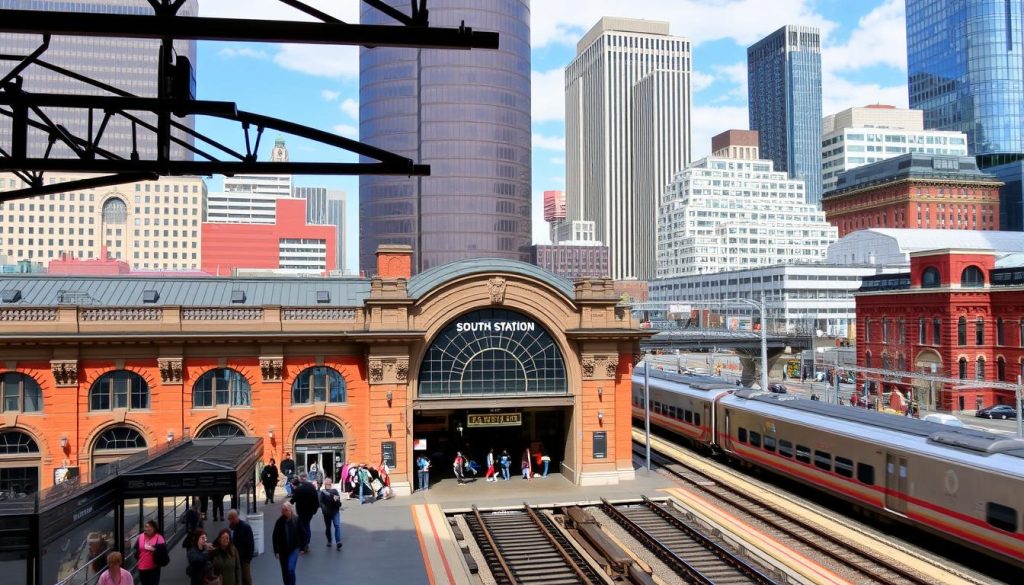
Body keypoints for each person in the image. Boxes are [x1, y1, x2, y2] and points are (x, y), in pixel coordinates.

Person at [272, 503, 302, 585]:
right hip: (283, 550)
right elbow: (275, 537)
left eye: (286, 510)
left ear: (290, 510)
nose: (284, 512)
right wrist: (276, 551)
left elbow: (302, 532)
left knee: (290, 569)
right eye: (282, 510)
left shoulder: (296, 520)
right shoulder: (279, 522)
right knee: (285, 572)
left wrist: (302, 547)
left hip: (294, 549)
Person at [289, 475, 318, 552]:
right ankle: (307, 543)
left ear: (301, 480)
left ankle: (304, 544)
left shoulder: (299, 489)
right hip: (310, 511)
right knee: (307, 525)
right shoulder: (312, 487)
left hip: (301, 511)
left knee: (302, 527)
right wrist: (314, 510)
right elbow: (316, 499)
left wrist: (288, 504)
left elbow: (293, 500)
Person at [226, 510, 254, 585]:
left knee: (246, 578)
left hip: (244, 558)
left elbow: (250, 544)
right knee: (238, 577)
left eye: (230, 519)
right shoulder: (233, 527)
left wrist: (248, 559)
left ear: (234, 518)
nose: (229, 521)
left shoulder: (245, 527)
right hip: (235, 557)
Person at [136, 520, 165, 585]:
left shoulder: (159, 537)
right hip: (142, 566)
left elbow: (163, 552)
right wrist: (138, 559)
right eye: (146, 527)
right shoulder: (140, 537)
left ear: (154, 528)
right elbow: (137, 549)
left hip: (154, 567)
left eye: (149, 527)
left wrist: (154, 549)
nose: (147, 529)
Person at [318, 478, 343, 550]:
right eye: (327, 484)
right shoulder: (322, 492)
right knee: (328, 527)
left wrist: (336, 500)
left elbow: (339, 503)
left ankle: (338, 542)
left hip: (335, 511)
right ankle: (329, 540)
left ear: (331, 484)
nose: (328, 485)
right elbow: (320, 503)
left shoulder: (335, 491)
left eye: (329, 484)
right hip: (327, 513)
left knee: (337, 526)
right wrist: (324, 509)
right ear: (324, 484)